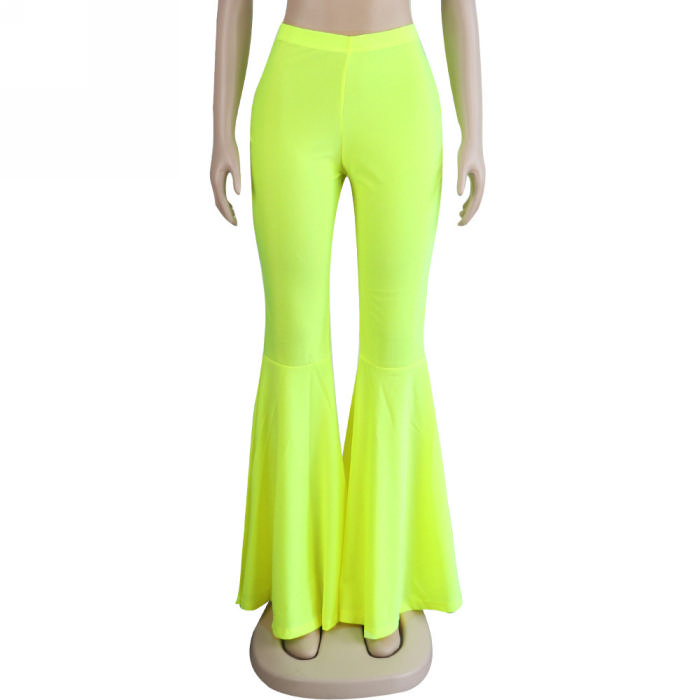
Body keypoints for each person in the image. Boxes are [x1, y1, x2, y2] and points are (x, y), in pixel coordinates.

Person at [210, 0, 485, 662]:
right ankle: (297, 589)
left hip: (399, 93)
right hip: (294, 90)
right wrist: (221, 130)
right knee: (293, 346)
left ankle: (382, 585)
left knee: (395, 351)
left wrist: (474, 131)